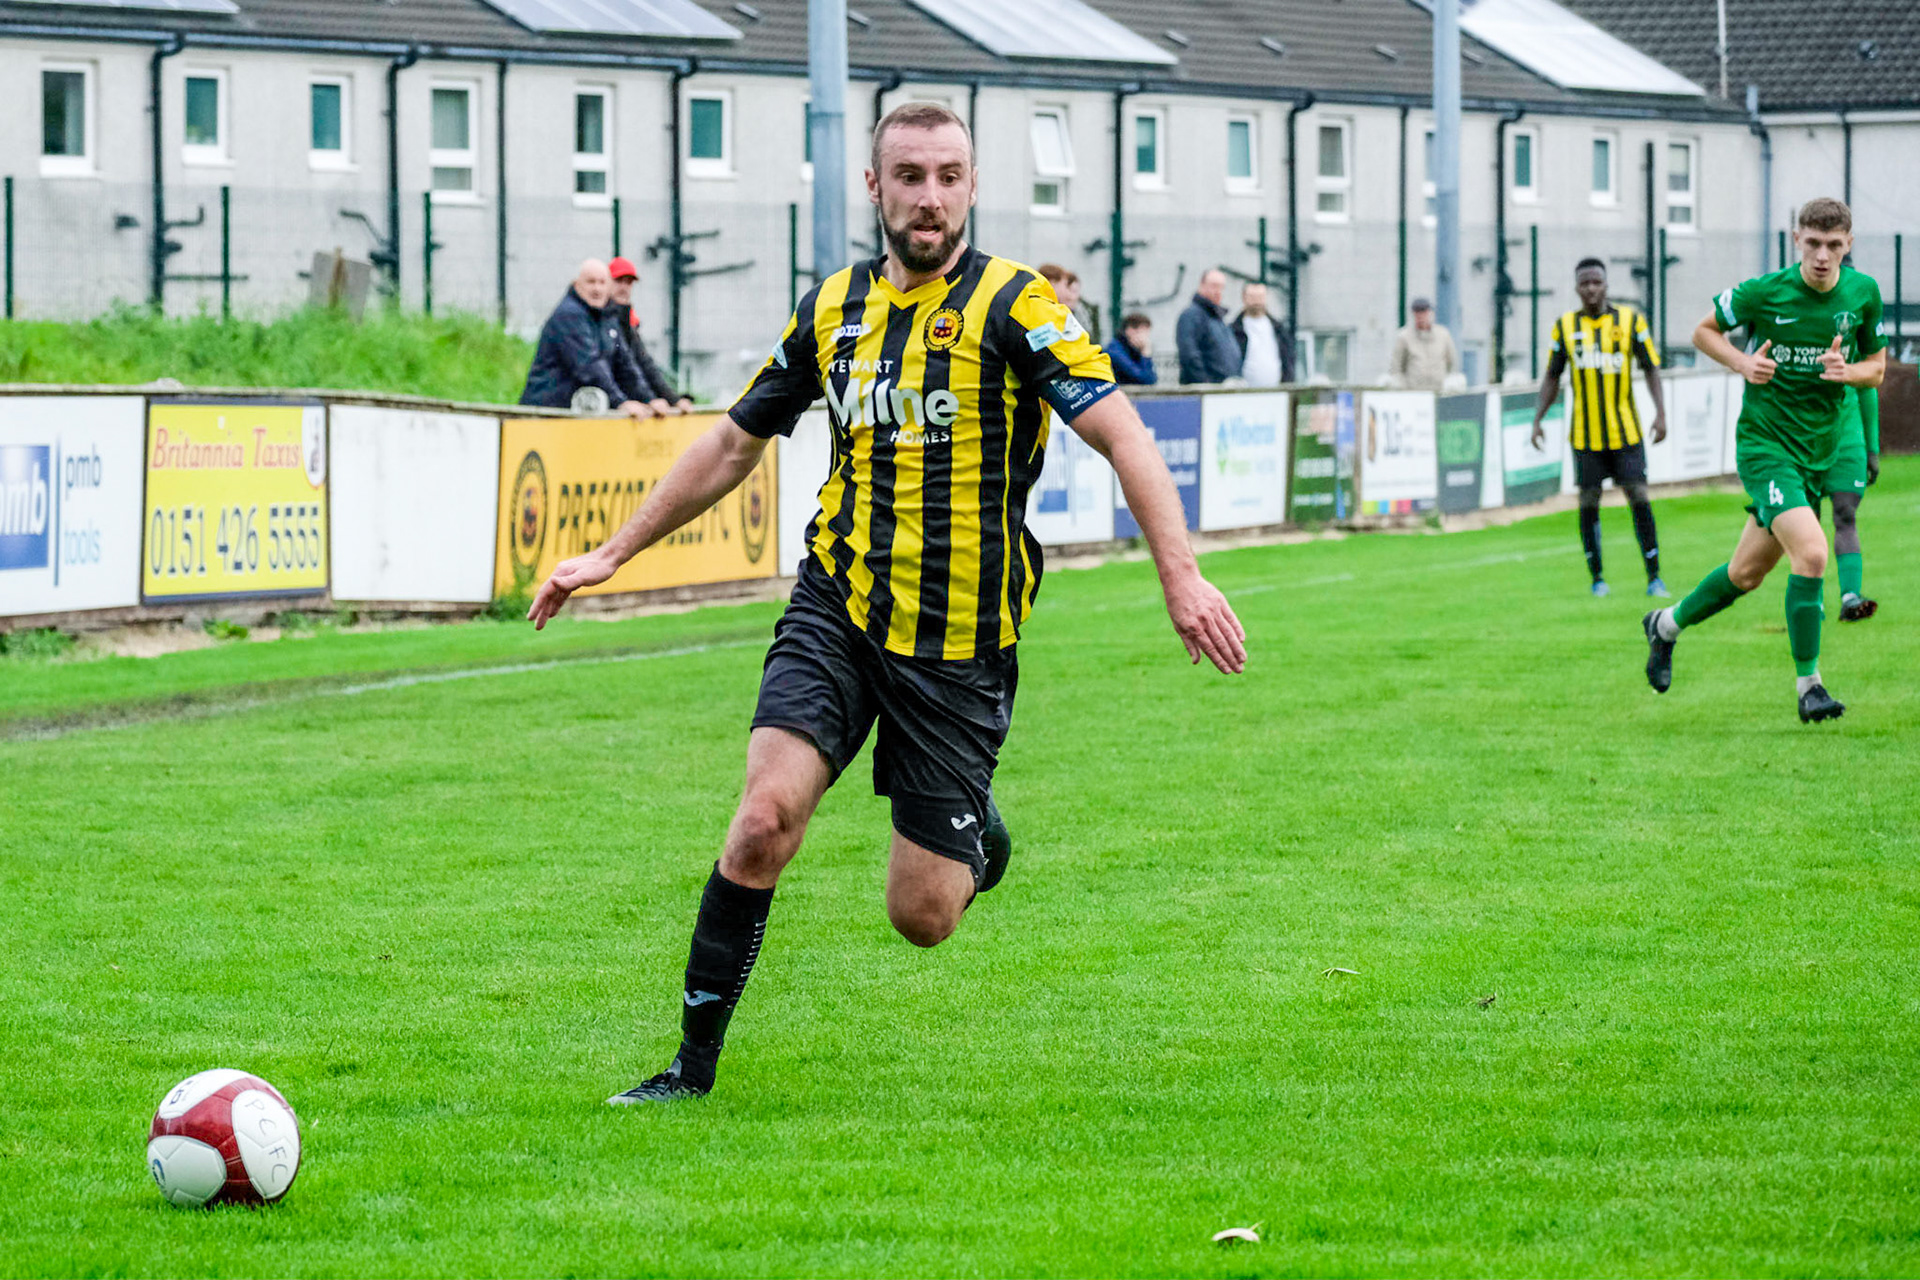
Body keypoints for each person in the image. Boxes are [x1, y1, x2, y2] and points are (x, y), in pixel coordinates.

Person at [526, 101, 1248, 1104]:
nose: (929, 195)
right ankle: (688, 1072)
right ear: (876, 187)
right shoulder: (833, 309)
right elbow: (734, 443)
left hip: (957, 643)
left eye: (949, 174)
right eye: (909, 175)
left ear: (973, 184)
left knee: (924, 915)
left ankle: (977, 828)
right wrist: (610, 552)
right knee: (763, 819)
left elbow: (1126, 436)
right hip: (837, 609)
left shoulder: (1019, 307)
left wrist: (1182, 576)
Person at [1644, 197, 1886, 722]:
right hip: (1766, 447)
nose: (1823, 256)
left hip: (1818, 452)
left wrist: (1849, 372)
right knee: (1814, 554)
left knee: (1745, 574)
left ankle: (1664, 626)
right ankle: (1810, 686)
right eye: (1814, 243)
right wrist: (1741, 361)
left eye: (1834, 245)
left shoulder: (1863, 293)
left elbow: (1878, 368)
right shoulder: (1764, 291)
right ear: (1796, 238)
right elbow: (1702, 330)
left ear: (1849, 245)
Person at [1530, 259, 1669, 598]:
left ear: (1606, 285)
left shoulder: (1631, 321)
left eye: (1597, 282)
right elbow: (1552, 376)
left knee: (1638, 495)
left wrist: (1660, 413)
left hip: (1626, 431)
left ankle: (1654, 577)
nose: (1591, 289)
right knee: (1588, 501)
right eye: (1585, 283)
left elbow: (1650, 368)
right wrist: (1537, 419)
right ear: (1577, 288)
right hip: (1585, 435)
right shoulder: (1564, 327)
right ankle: (1598, 579)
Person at [519, 259, 658, 419]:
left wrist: (649, 399)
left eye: (602, 283)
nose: (597, 289)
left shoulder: (608, 317)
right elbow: (589, 365)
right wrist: (620, 402)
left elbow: (626, 364)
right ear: (577, 284)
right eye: (591, 282)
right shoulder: (569, 315)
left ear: (608, 287)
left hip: (576, 413)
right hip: (546, 414)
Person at [608, 256, 695, 416]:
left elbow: (644, 363)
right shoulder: (603, 320)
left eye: (629, 282)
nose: (624, 287)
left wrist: (673, 399)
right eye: (619, 280)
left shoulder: (629, 320)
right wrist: (647, 399)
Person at [1822, 384, 1879, 620]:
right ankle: (1812, 602)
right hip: (1802, 443)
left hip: (1847, 442)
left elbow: (1867, 387)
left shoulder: (1857, 347)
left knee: (1846, 514)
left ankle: (1850, 598)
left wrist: (1872, 449)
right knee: (1804, 519)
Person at [1176, 269, 1238, 385]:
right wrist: (1204, 383)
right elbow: (1189, 354)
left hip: (1222, 390)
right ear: (1201, 285)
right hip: (1205, 394)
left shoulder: (1217, 318)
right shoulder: (1191, 316)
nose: (1218, 291)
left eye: (1221, 287)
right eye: (1214, 286)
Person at [1230, 282, 1295, 386]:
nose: (1256, 301)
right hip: (1243, 393)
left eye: (1260, 296)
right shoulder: (1234, 330)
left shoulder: (1279, 329)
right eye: (1252, 297)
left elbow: (1288, 359)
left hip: (1277, 392)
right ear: (1244, 298)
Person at [1388, 298, 1458, 391]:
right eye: (1417, 313)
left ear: (1430, 313)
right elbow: (1396, 366)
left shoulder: (1443, 334)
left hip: (1438, 390)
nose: (1421, 317)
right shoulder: (1404, 337)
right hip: (1413, 391)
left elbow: (1451, 361)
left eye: (1424, 312)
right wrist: (1403, 387)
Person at [1038, 263, 1098, 344]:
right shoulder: (1045, 314)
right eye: (1065, 285)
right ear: (1052, 283)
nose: (1072, 296)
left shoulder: (1070, 314)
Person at [1104, 312, 1157, 385]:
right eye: (1144, 333)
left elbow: (1152, 378)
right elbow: (1143, 380)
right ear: (1130, 330)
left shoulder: (1132, 350)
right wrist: (1146, 354)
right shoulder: (1115, 351)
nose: (1146, 339)